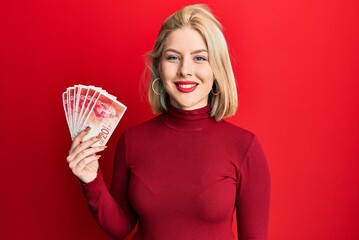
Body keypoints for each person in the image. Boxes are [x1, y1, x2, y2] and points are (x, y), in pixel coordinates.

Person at [66, 4, 270, 240]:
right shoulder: (132, 140)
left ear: (217, 69)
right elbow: (120, 227)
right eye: (173, 57)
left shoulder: (245, 147)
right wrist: (91, 180)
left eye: (200, 58)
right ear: (159, 67)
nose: (185, 70)